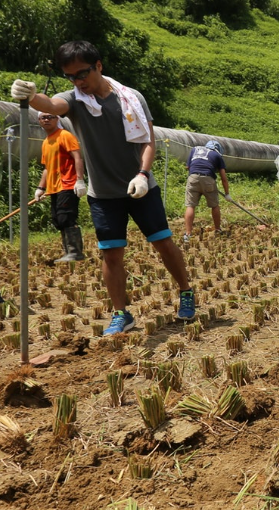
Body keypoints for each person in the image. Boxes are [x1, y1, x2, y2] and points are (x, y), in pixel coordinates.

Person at [11, 41, 196, 335]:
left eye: (82, 74)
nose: (77, 82)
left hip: (141, 187)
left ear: (98, 66)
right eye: (70, 77)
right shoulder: (73, 100)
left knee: (162, 242)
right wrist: (32, 97)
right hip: (103, 194)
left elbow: (148, 139)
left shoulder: (130, 97)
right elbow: (51, 105)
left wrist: (143, 174)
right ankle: (122, 314)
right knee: (111, 254)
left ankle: (186, 291)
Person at [34, 112, 87, 262]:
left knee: (66, 218)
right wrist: (41, 188)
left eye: (50, 116)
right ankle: (68, 252)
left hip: (68, 184)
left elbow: (77, 157)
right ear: (39, 121)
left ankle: (75, 252)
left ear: (57, 119)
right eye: (43, 117)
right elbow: (47, 168)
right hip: (54, 187)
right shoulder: (46, 142)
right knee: (57, 220)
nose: (46, 119)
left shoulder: (65, 135)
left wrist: (80, 180)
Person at [183, 139, 231, 243]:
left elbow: (188, 167)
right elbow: (223, 178)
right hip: (208, 179)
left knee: (190, 206)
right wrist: (227, 194)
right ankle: (218, 230)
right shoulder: (217, 155)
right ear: (217, 149)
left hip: (193, 178)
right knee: (214, 205)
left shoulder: (194, 149)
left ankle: (188, 234)